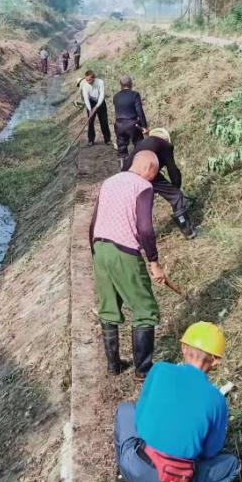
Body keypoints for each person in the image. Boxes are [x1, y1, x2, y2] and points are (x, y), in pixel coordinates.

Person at [112, 321, 239, 482]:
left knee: (126, 409)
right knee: (231, 464)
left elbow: (140, 420)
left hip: (134, 465)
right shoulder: (216, 400)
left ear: (183, 348)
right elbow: (210, 452)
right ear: (216, 361)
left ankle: (123, 478)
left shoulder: (159, 370)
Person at [89, 150, 164, 378]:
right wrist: (153, 262)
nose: (154, 178)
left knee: (108, 308)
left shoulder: (109, 182)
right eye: (155, 172)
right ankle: (143, 370)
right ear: (148, 168)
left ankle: (113, 367)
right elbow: (145, 229)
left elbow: (93, 221)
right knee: (144, 309)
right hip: (124, 252)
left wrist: (95, 251)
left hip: (99, 247)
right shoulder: (143, 186)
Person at [122, 127, 194, 238]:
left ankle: (131, 235)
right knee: (176, 196)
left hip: (126, 175)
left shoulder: (144, 143)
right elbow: (172, 170)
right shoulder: (165, 145)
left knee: (136, 204)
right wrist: (176, 188)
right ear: (167, 139)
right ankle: (188, 230)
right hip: (145, 171)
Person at [112, 75, 149, 166]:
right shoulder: (135, 95)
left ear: (120, 85)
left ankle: (123, 169)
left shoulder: (116, 97)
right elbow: (139, 111)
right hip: (132, 125)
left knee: (122, 149)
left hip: (119, 125)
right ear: (131, 83)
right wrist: (144, 126)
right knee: (139, 146)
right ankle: (140, 166)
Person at [79, 70, 111, 147]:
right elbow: (86, 99)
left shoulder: (100, 82)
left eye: (90, 79)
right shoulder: (84, 85)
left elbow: (102, 95)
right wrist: (90, 110)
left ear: (94, 78)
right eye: (86, 80)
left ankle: (107, 139)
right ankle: (91, 140)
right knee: (90, 122)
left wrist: (96, 107)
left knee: (104, 121)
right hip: (90, 102)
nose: (88, 81)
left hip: (100, 102)